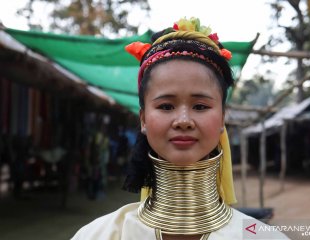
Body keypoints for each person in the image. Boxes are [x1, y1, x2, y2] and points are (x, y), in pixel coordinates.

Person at [71, 17, 288, 240]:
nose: (183, 120)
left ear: (222, 119)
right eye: (166, 106)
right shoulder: (97, 235)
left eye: (200, 106)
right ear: (143, 119)